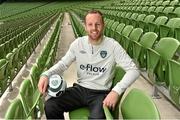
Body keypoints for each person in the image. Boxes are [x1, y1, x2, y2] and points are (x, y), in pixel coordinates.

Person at [38, 10, 140, 119]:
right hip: (80, 89)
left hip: (100, 94)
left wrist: (116, 91)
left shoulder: (113, 45)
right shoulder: (78, 43)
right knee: (50, 105)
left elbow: (133, 70)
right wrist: (46, 74)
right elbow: (63, 64)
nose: (94, 28)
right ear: (85, 27)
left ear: (103, 25)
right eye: (90, 24)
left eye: (97, 24)